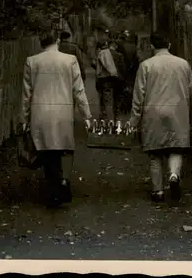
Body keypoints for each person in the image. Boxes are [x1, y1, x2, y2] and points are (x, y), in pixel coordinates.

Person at [22, 33, 92, 207]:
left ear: (41, 43)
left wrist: (23, 118)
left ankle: (52, 187)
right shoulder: (70, 60)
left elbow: (26, 95)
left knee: (46, 149)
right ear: (58, 41)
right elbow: (79, 91)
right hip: (63, 112)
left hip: (40, 113)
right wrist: (87, 115)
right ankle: (64, 180)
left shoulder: (32, 61)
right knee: (65, 149)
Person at [126, 32, 192, 203]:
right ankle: (173, 175)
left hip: (153, 114)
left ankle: (157, 191)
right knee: (176, 148)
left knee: (154, 154)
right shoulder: (183, 65)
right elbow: (191, 93)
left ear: (152, 47)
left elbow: (139, 96)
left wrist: (134, 121)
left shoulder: (146, 66)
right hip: (177, 112)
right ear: (169, 45)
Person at [95, 39, 127, 121]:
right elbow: (123, 69)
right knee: (117, 100)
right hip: (117, 80)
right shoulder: (119, 55)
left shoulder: (102, 54)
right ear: (115, 45)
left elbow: (97, 67)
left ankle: (107, 120)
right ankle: (116, 120)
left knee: (107, 101)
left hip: (105, 80)